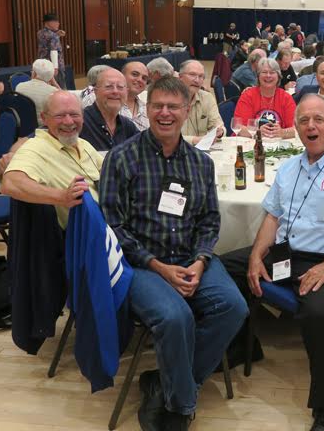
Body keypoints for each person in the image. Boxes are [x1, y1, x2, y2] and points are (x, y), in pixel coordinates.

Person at [222, 94, 324, 431]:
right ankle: (242, 345)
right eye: (304, 120)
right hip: (288, 254)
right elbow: (272, 216)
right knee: (223, 268)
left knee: (317, 310)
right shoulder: (289, 167)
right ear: (295, 127)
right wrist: (256, 255)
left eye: (318, 119)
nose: (311, 126)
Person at [99, 77, 248, 431]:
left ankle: (167, 382)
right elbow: (113, 227)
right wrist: (158, 266)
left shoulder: (201, 163)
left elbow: (209, 221)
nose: (165, 113)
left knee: (234, 307)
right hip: (141, 264)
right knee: (175, 317)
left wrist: (200, 261)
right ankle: (180, 407)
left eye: (173, 107)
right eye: (158, 106)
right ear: (147, 109)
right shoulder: (121, 158)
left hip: (190, 257)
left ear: (187, 110)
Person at [1, 91, 103, 229]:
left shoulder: (83, 144)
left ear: (83, 117)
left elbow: (109, 174)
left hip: (108, 224)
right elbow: (10, 183)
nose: (68, 121)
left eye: (74, 115)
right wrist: (63, 197)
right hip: (83, 235)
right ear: (44, 118)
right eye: (60, 115)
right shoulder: (36, 148)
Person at [234, 58, 297, 139]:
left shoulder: (286, 98)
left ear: (278, 76)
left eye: (272, 72)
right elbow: (238, 127)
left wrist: (282, 132)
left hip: (278, 144)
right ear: (258, 76)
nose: (268, 75)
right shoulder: (248, 96)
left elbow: (296, 128)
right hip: (251, 143)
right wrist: (257, 132)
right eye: (264, 72)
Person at [79, 68, 139, 153]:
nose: (115, 91)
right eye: (108, 87)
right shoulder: (81, 122)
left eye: (120, 87)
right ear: (95, 91)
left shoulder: (127, 126)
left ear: (126, 92)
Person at [178, 60, 225, 145]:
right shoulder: (169, 101)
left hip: (202, 149)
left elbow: (219, 125)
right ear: (180, 77)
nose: (197, 80)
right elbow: (166, 137)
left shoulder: (207, 98)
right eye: (192, 74)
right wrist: (194, 140)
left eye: (201, 76)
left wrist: (219, 132)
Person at [16, 58, 60, 125]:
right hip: (44, 127)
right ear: (51, 76)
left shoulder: (19, 86)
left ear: (34, 73)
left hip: (23, 126)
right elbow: (65, 102)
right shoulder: (54, 92)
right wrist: (55, 83)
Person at [121, 61, 149, 131]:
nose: (140, 80)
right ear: (122, 76)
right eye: (135, 74)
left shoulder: (147, 110)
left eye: (144, 78)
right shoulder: (109, 104)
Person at [37, 12, 66, 79]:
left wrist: (57, 33)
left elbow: (48, 40)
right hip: (54, 67)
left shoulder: (40, 33)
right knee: (59, 85)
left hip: (42, 66)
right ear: (48, 22)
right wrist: (55, 68)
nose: (58, 23)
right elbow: (53, 51)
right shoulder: (54, 36)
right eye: (56, 21)